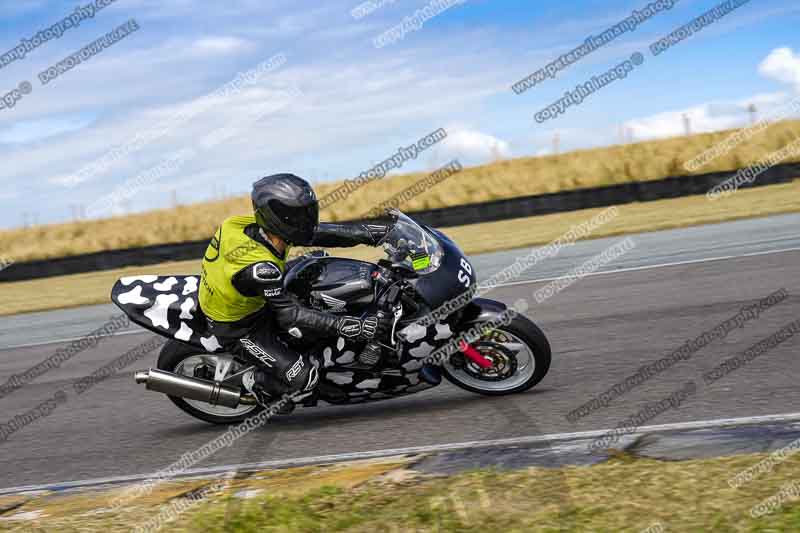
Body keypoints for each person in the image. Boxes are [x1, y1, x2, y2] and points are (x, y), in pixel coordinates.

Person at [198, 173, 392, 412]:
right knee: (302, 378)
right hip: (240, 326)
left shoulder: (246, 225)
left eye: (309, 211)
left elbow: (321, 233)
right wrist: (352, 326)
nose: (308, 220)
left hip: (246, 291)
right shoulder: (261, 269)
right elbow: (291, 315)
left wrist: (373, 233)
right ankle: (257, 383)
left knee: (316, 266)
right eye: (301, 215)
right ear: (280, 218)